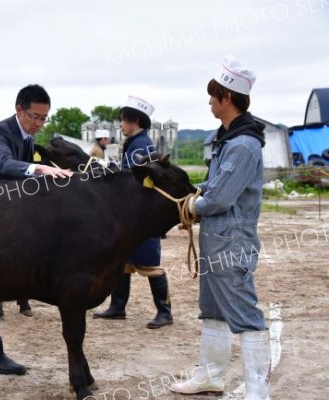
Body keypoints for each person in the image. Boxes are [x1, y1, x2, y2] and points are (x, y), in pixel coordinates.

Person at [170, 55, 270, 399]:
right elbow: (213, 187)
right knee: (212, 309)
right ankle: (211, 376)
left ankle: (258, 390)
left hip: (232, 241)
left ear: (228, 98)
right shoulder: (228, 138)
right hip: (217, 238)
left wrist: (190, 206)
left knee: (244, 312)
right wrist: (198, 200)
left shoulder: (243, 145)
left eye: (213, 96)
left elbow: (219, 198)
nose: (210, 101)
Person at [0, 84, 72, 375]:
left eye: (44, 118)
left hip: (3, 214)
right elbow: (4, 164)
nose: (39, 123)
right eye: (35, 117)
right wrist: (41, 169)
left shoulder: (28, 139)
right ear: (18, 110)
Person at [93, 96, 173, 329]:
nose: (120, 125)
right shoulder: (137, 142)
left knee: (151, 265)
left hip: (142, 215)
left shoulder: (141, 145)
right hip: (132, 214)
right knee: (124, 263)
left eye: (123, 120)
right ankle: (117, 307)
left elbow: (137, 179)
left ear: (135, 121)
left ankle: (165, 312)